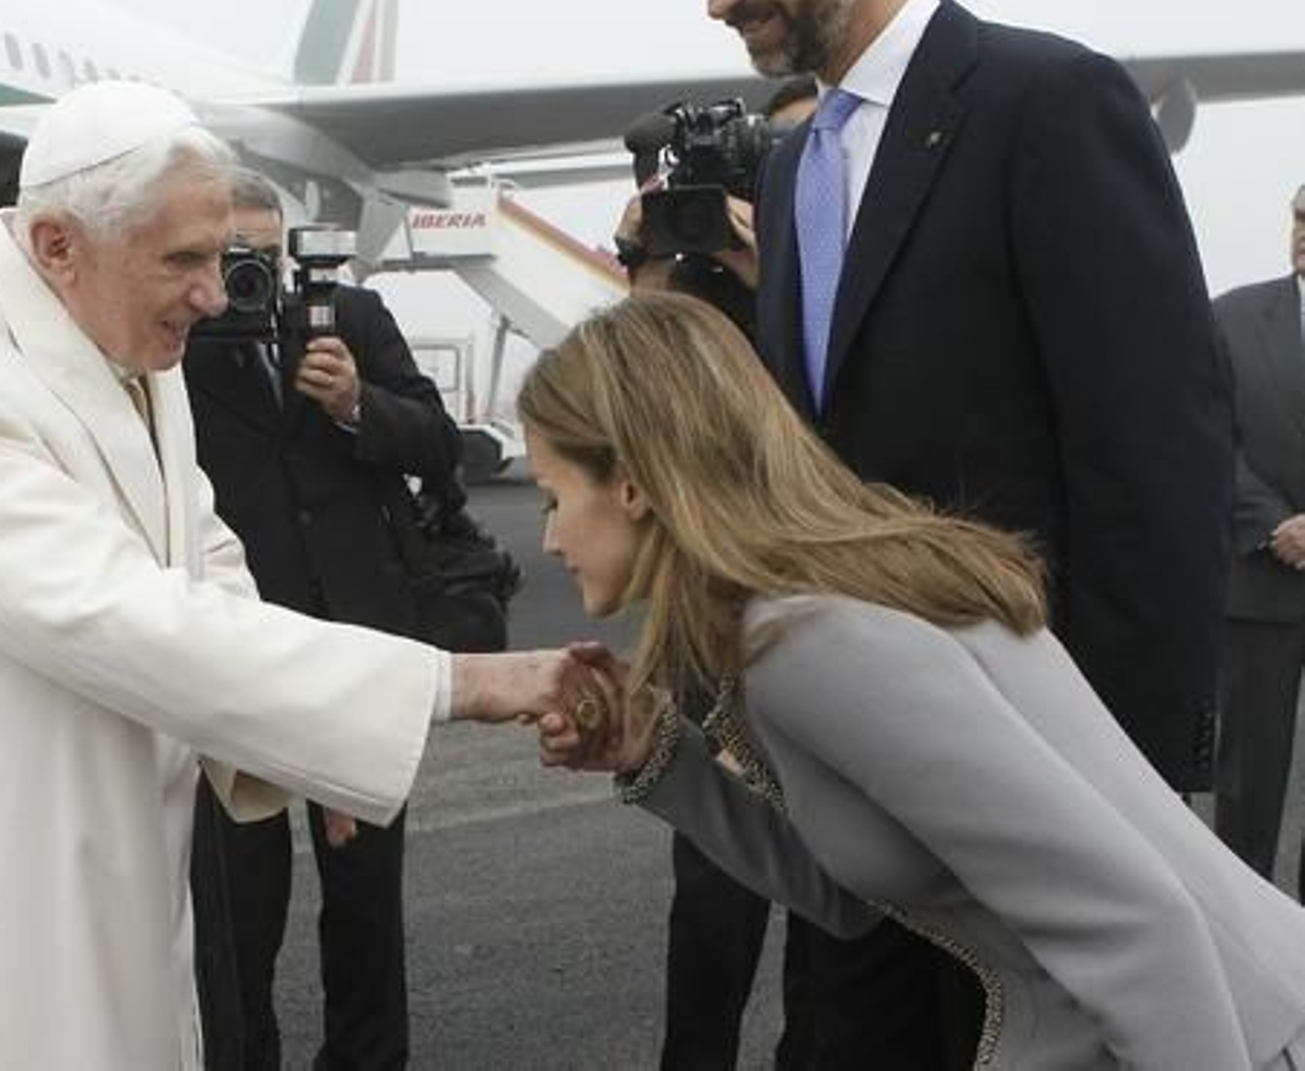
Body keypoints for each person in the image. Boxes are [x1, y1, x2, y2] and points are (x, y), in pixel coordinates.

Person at [0, 80, 590, 1071]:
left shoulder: (120, 333)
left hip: (108, 858)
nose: (217, 297)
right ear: (57, 245)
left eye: (221, 258)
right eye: (184, 260)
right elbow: (123, 617)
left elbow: (201, 553)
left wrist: (308, 732)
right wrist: (467, 680)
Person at [669, 0, 1234, 1065]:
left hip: (1041, 792)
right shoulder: (790, 167)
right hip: (863, 806)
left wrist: (1124, 797)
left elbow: (1157, 458)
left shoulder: (1046, 102)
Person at [527, 293, 1305, 1071]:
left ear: (630, 482)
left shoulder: (810, 643)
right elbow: (858, 890)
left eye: (554, 497)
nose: (549, 537)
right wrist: (658, 757)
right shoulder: (817, 608)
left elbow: (1140, 925)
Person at [183, 170, 459, 1069]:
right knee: (240, 912)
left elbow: (438, 441)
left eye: (264, 255)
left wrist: (354, 405)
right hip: (239, 659)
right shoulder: (174, 341)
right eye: (231, 258)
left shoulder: (352, 317)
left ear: (295, 250)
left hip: (357, 647)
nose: (247, 276)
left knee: (368, 905)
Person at [612, 73, 817, 1070]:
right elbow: (631, 393)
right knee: (713, 901)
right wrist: (640, 255)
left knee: (844, 905)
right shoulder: (685, 287)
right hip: (711, 625)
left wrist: (764, 259)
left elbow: (824, 406)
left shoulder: (833, 274)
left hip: (824, 620)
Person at [1211, 183, 1305, 901]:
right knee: (1247, 787)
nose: (1303, 231)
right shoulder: (1234, 318)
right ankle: (1251, 951)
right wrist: (1274, 521)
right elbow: (1209, 437)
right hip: (1260, 582)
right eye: (1301, 216)